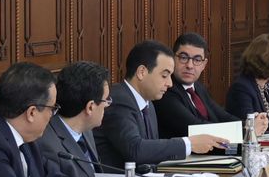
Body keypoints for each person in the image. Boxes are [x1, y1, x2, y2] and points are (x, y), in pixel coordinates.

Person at [96, 40, 227, 168]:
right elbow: (135, 149)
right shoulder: (118, 99)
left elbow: (152, 156)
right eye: (164, 75)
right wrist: (188, 144)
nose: (170, 83)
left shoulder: (149, 105)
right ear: (142, 72)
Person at [38, 61, 113, 177]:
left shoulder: (87, 129)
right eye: (106, 100)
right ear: (90, 107)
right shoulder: (48, 144)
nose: (107, 105)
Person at [155, 32, 243, 137]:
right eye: (183, 58)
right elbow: (195, 128)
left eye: (197, 60)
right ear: (173, 58)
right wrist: (244, 130)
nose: (189, 65)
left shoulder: (197, 87)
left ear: (204, 64)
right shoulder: (166, 90)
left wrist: (249, 125)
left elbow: (223, 116)